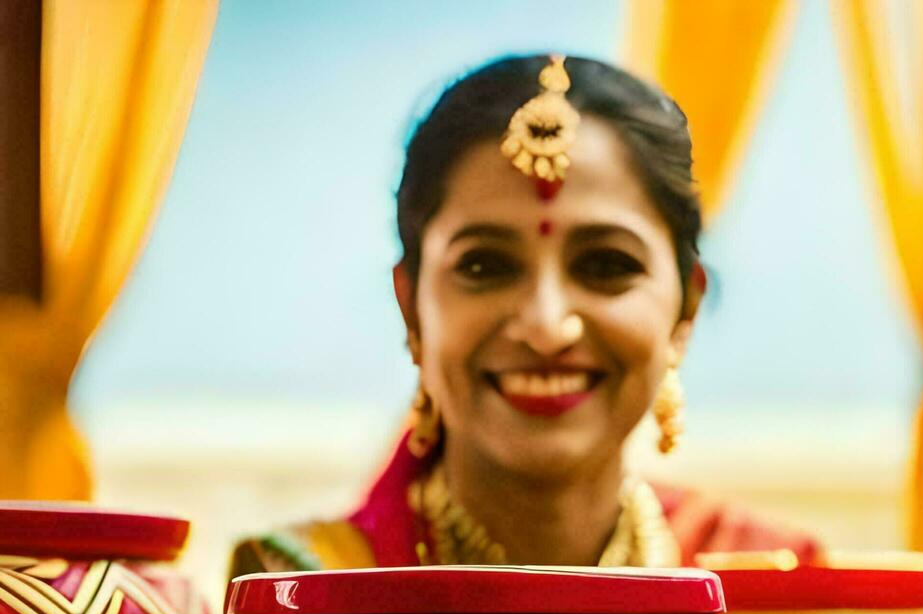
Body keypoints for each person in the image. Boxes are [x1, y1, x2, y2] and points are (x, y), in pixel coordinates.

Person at [230, 54, 819, 577]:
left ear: (684, 308)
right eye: (485, 266)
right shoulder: (304, 605)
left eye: (606, 264)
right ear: (410, 306)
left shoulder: (782, 604)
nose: (546, 326)